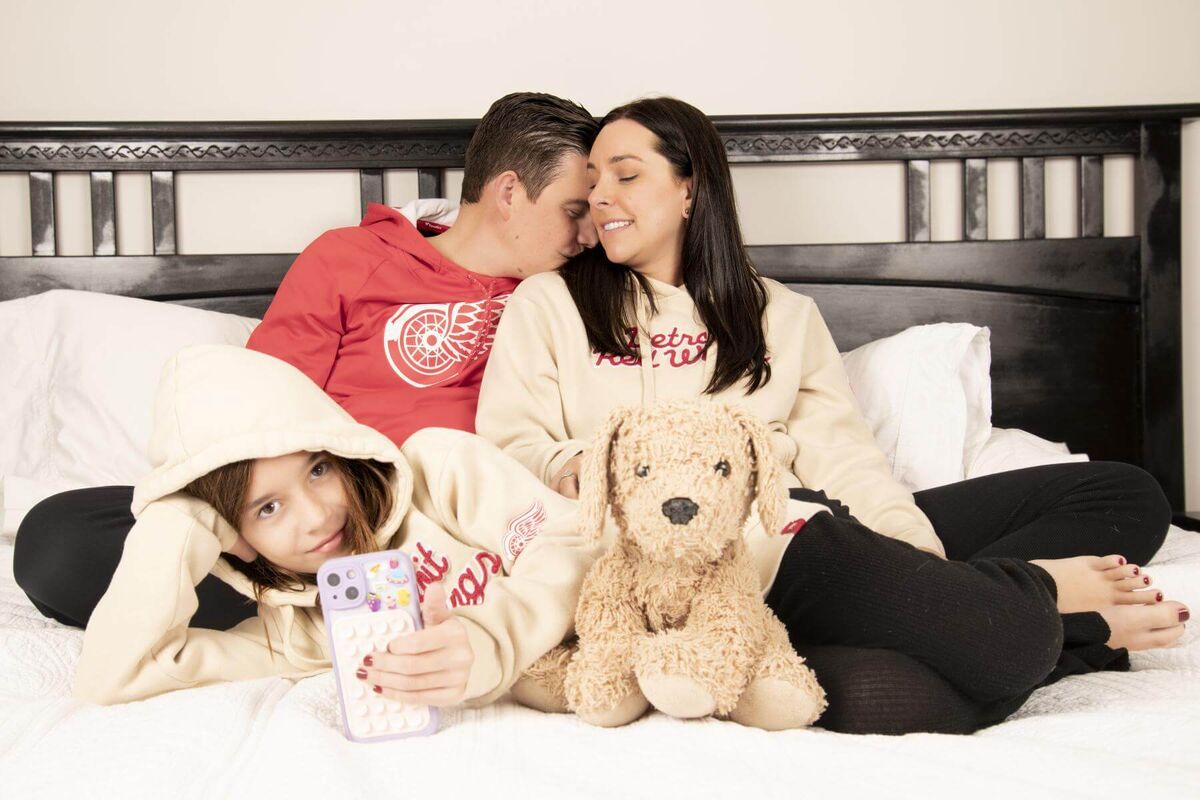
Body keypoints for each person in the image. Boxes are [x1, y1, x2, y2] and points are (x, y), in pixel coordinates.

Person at [475, 96, 1189, 733]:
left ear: (690, 188)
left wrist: (917, 554)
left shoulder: (781, 315)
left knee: (1124, 494)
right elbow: (508, 442)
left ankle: (962, 606)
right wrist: (583, 471)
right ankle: (1059, 613)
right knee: (936, 670)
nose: (601, 198)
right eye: (593, 181)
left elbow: (844, 458)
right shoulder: (552, 303)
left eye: (625, 175)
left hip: (802, 534)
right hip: (693, 568)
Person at [15, 92, 600, 633]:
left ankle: (348, 612)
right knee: (55, 538)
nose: (589, 235)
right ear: (508, 192)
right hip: (317, 523)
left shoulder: (576, 295)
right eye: (574, 210)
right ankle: (336, 606)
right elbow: (259, 408)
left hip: (468, 525)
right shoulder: (351, 258)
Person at [75, 344, 598, 707]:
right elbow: (112, 677)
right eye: (267, 509)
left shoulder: (440, 471)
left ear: (344, 450)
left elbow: (578, 544)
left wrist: (488, 641)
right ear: (237, 538)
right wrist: (182, 521)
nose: (319, 516)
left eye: (318, 471)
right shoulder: (298, 637)